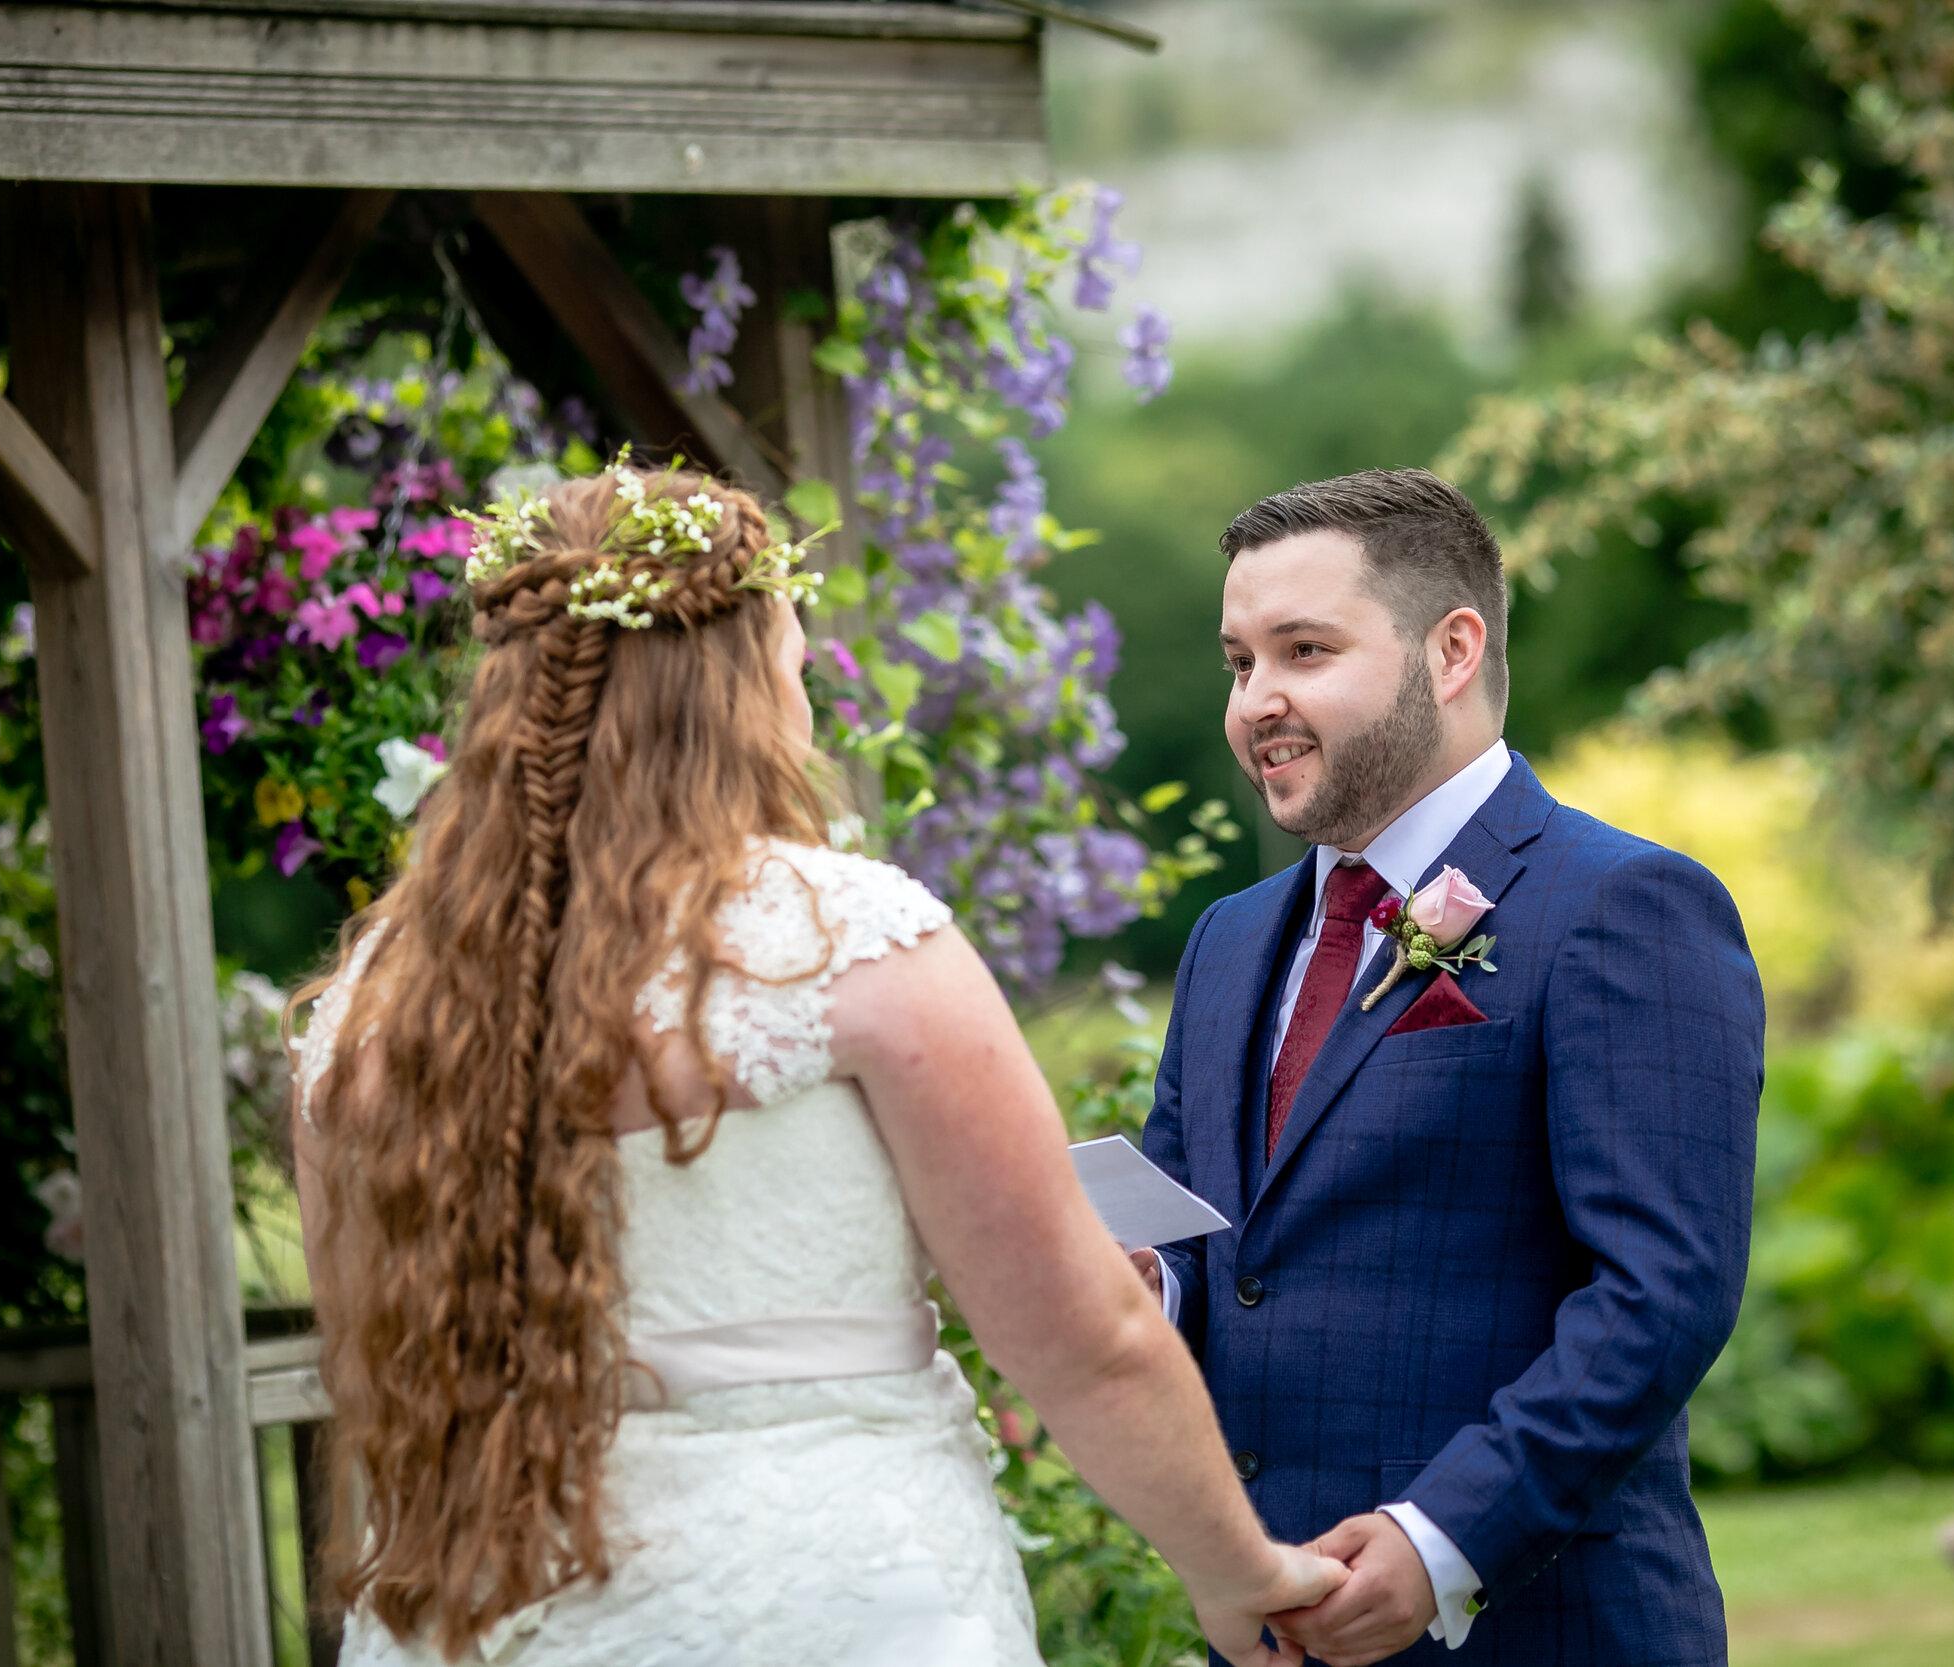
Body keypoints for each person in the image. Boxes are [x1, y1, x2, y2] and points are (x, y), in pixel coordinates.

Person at [288, 464, 1341, 1667]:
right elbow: (1084, 1334)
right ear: (739, 688)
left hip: (484, 1608)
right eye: (791, 663)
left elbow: (369, 1354)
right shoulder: (848, 939)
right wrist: (1237, 1571)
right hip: (820, 1599)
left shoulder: (377, 997)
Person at [1136, 468, 1763, 1665]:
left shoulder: (1623, 905)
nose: (1256, 700)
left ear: (1452, 650)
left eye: (1304, 650)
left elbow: (1661, 1291)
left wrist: (1440, 1542)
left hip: (1540, 1629)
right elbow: (1208, 1246)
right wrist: (1138, 1289)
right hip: (1271, 1629)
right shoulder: (1225, 943)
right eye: (1238, 662)